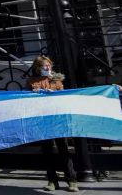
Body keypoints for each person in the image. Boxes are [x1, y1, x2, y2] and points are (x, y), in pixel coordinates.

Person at [28, 56, 78, 193]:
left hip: (57, 119)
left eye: (49, 65)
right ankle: (52, 180)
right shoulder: (31, 81)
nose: (48, 68)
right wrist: (34, 95)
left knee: (63, 149)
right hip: (42, 120)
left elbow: (64, 98)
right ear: (38, 68)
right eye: (45, 66)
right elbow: (26, 101)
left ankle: (71, 180)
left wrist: (54, 93)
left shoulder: (57, 79)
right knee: (47, 150)